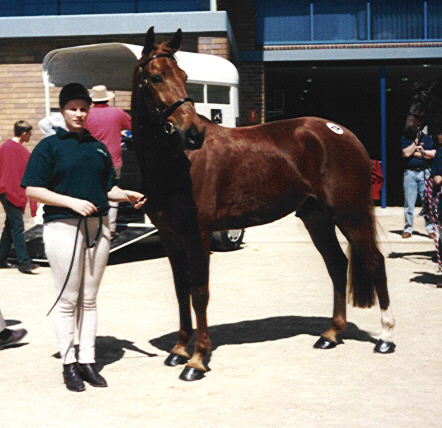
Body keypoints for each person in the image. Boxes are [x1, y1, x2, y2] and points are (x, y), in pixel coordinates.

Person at [21, 83, 145, 392]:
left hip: (98, 227)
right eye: (73, 107)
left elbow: (106, 188)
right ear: (62, 110)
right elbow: (33, 189)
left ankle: (87, 360)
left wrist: (125, 195)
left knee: (89, 299)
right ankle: (69, 363)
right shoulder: (49, 147)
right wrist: (70, 201)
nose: (79, 113)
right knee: (67, 300)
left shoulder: (98, 147)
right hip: (64, 226)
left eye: (83, 108)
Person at [85, 85, 132, 239]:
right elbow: (132, 126)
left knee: (92, 192)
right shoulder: (117, 112)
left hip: (91, 159)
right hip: (113, 159)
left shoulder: (87, 114)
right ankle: (110, 229)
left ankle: (93, 227)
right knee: (112, 192)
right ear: (107, 98)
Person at [0, 120, 39, 274]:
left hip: (4, 191)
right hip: (11, 192)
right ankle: (25, 262)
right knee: (17, 227)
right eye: (29, 133)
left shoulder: (4, 147)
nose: (30, 136)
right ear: (24, 133)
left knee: (10, 226)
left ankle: (1, 258)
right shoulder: (23, 153)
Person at [401, 131, 436, 239]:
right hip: (409, 173)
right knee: (409, 203)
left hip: (424, 172)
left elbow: (430, 156)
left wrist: (414, 151)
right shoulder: (405, 138)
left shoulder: (427, 138)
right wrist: (415, 145)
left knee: (427, 202)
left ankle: (430, 228)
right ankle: (408, 229)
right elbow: (405, 154)